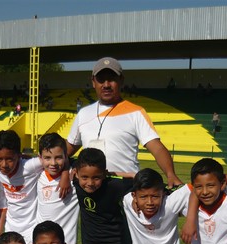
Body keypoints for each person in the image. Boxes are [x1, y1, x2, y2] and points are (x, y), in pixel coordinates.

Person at [66, 57, 182, 187]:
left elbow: (157, 148)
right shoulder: (83, 114)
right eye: (101, 79)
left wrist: (171, 174)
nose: (106, 85)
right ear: (93, 82)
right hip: (92, 188)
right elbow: (66, 151)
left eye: (111, 79)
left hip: (126, 188)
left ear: (121, 80)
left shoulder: (136, 113)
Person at [0, 131, 68, 244]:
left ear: (19, 155)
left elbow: (58, 158)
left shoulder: (29, 166)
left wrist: (65, 174)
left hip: (31, 227)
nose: (4, 164)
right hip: (11, 227)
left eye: (10, 159)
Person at [73, 148, 134, 244]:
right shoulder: (76, 182)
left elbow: (140, 179)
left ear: (105, 174)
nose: (90, 183)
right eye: (85, 177)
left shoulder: (114, 186)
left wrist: (125, 174)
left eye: (96, 177)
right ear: (76, 174)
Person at [35, 133, 79, 244]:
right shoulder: (37, 174)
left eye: (58, 157)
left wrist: (65, 173)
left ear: (66, 156)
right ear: (40, 157)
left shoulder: (75, 177)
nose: (53, 163)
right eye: (47, 158)